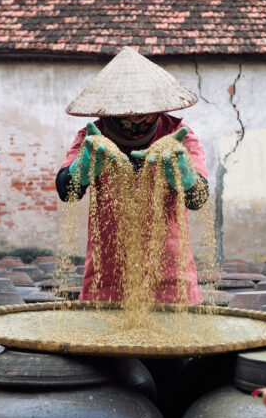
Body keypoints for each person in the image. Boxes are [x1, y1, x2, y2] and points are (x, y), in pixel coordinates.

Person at [56, 46, 209, 304]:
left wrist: (186, 178)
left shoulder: (179, 137)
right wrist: (81, 169)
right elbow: (66, 191)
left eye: (143, 117)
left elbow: (198, 199)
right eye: (126, 118)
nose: (135, 124)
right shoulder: (93, 138)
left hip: (170, 277)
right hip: (107, 278)